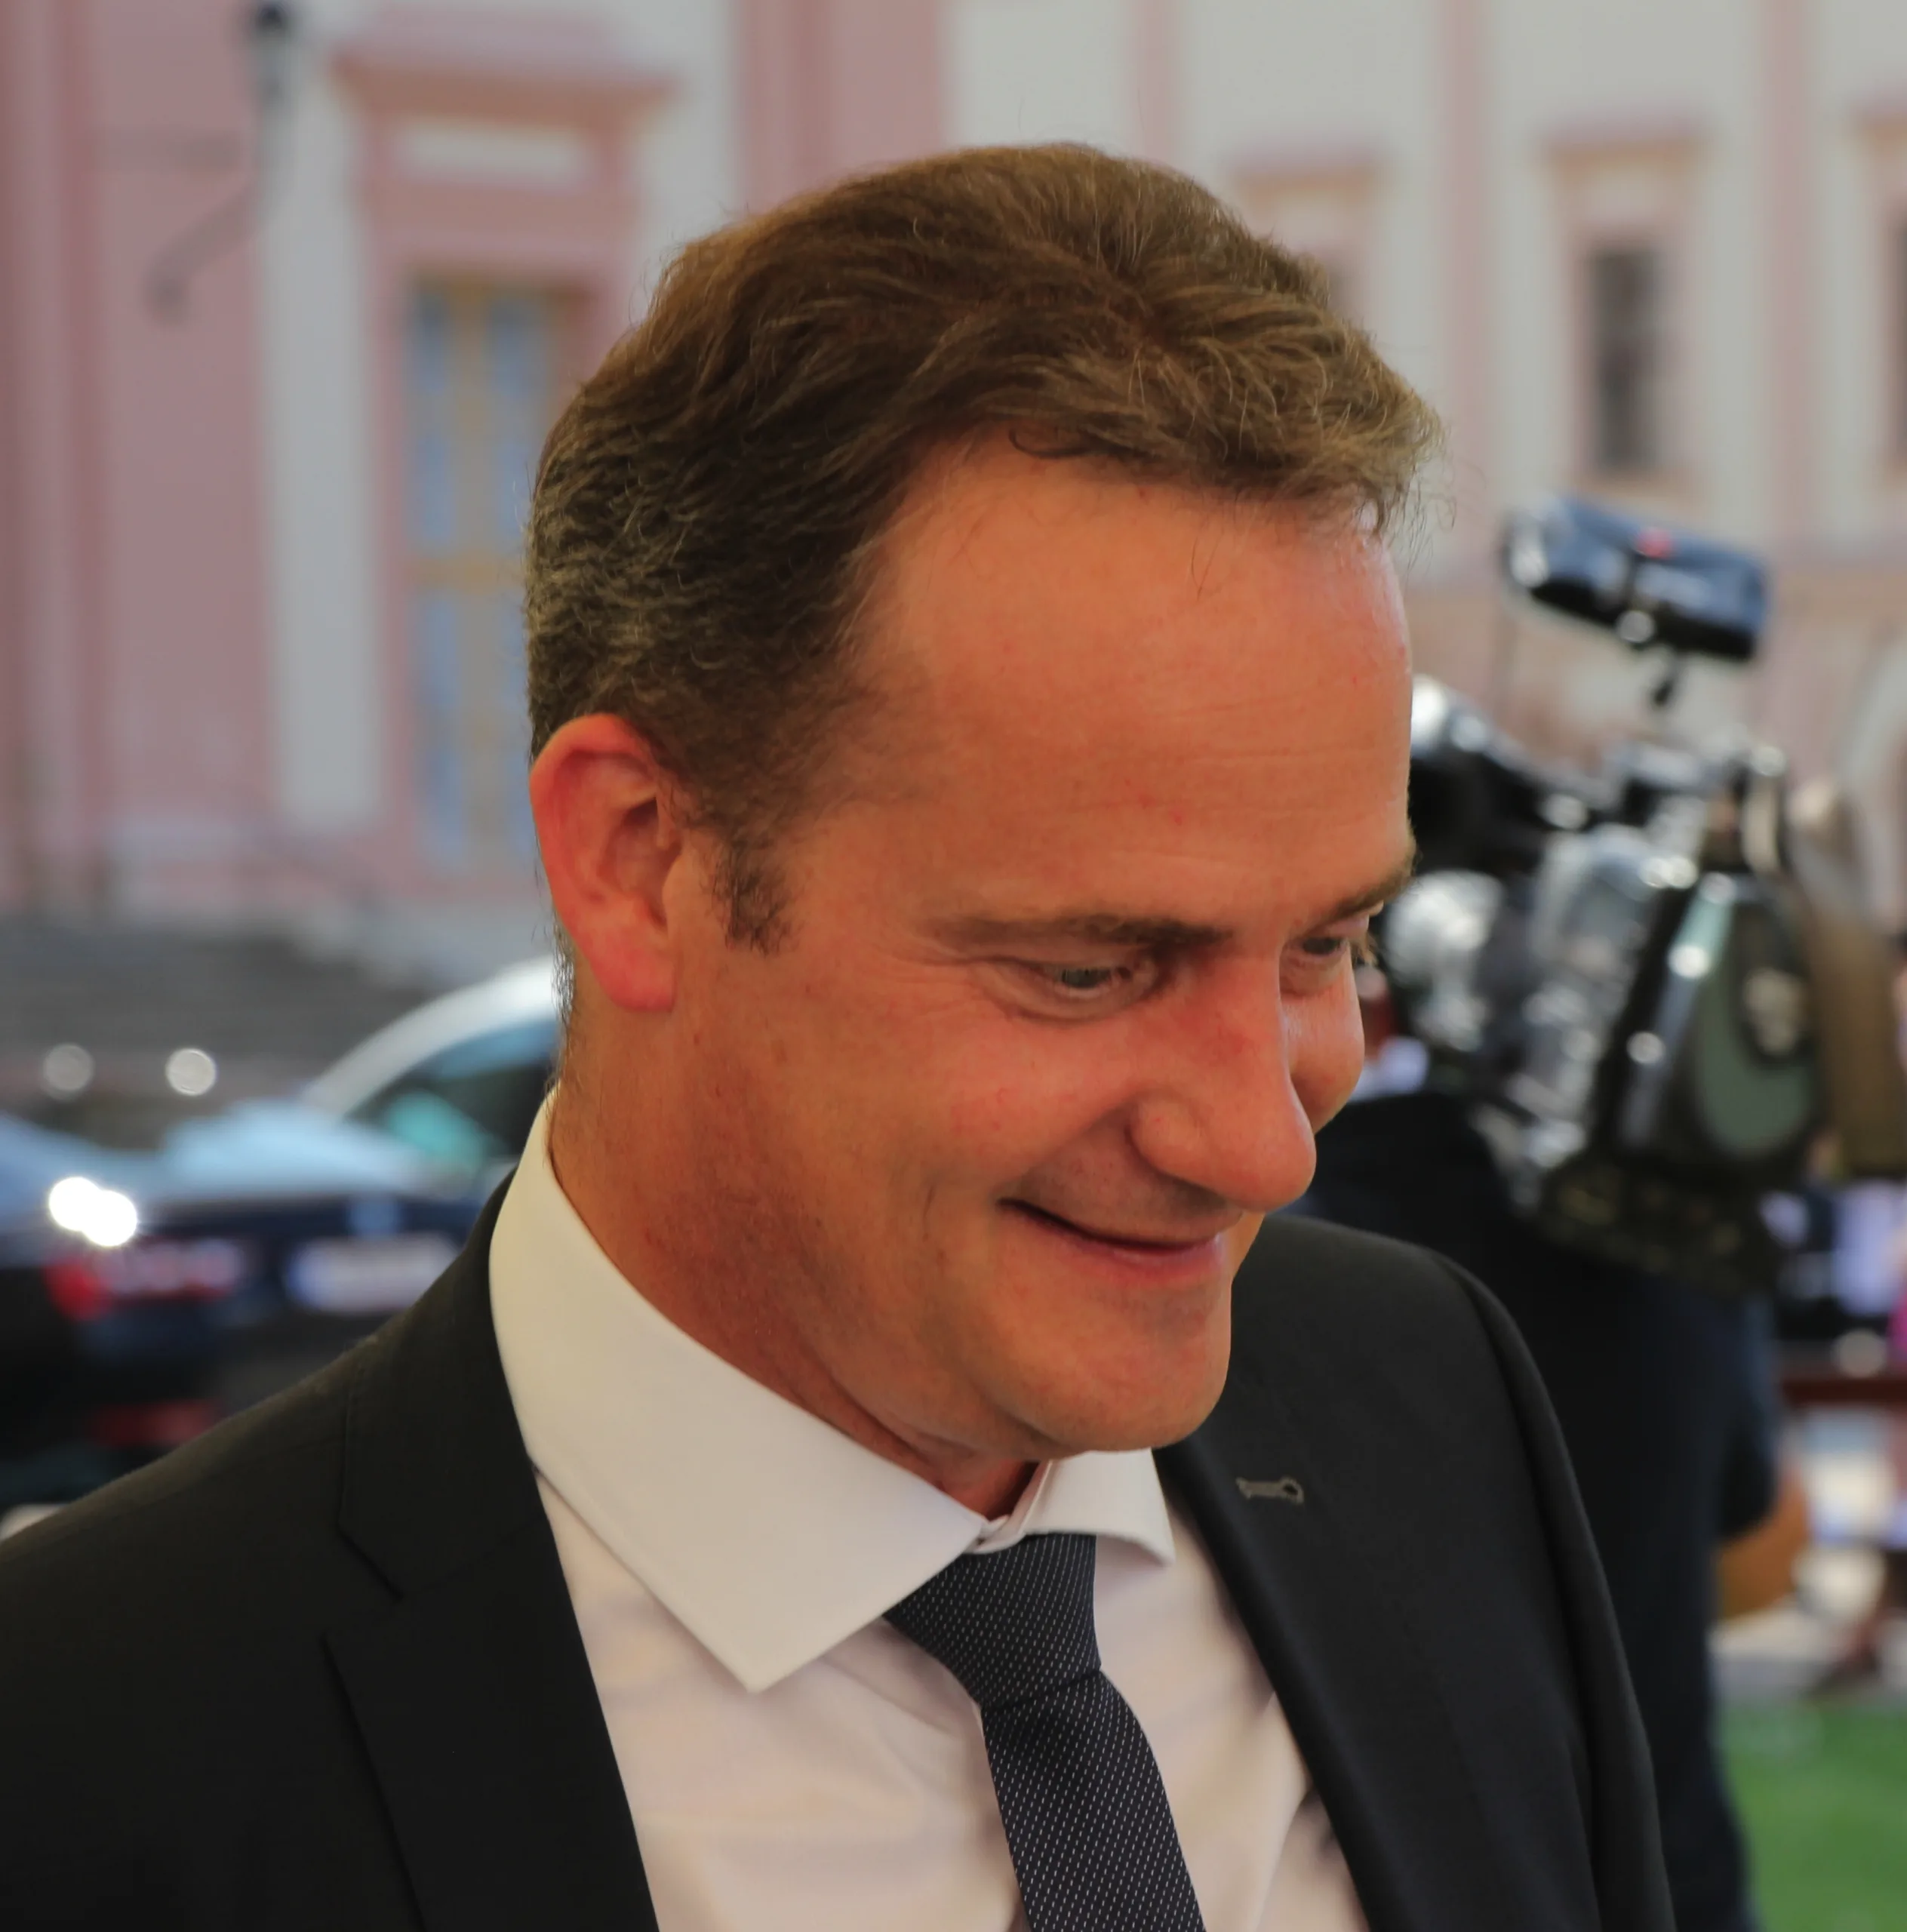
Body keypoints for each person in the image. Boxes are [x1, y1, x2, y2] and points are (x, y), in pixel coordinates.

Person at [0, 147, 1672, 1931]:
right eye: (1090, 968)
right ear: (641, 859)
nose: (1264, 1142)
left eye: (1326, 944)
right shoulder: (91, 1740)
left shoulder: (1432, 1405)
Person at [1282, 975, 1779, 1932]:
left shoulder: (1289, 1226)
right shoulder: (1677, 1224)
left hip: (1403, 1882)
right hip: (1665, 1874)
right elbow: (1759, 1564)